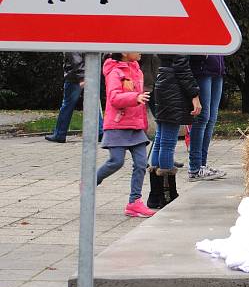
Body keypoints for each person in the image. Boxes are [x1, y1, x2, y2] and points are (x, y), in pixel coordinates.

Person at [96, 53, 155, 217]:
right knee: (116, 161)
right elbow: (114, 97)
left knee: (141, 163)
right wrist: (135, 97)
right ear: (124, 52)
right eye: (136, 47)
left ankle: (134, 202)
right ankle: (90, 182)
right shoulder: (115, 72)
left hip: (135, 126)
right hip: (117, 125)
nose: (140, 51)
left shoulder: (137, 70)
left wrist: (143, 122)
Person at [187, 0, 227, 181]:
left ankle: (203, 163)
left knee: (211, 118)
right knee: (202, 118)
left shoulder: (217, 9)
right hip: (201, 68)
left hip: (216, 68)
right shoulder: (197, 7)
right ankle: (195, 166)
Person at [148, 54, 201, 207]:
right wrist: (194, 94)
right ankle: (167, 194)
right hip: (173, 86)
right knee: (167, 142)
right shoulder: (180, 35)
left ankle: (155, 195)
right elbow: (182, 66)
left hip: (163, 80)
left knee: (160, 139)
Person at [45, 52, 103, 143]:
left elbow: (75, 57)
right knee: (93, 103)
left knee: (68, 105)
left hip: (75, 77)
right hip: (90, 73)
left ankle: (60, 134)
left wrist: (82, 77)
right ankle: (100, 132)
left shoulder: (72, 40)